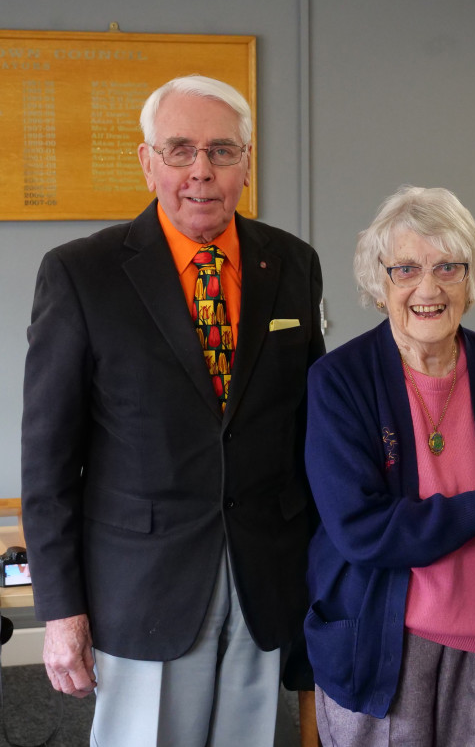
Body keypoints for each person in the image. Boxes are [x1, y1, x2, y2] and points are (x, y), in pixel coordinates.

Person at [21, 74, 325, 746]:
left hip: (263, 571)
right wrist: (62, 611)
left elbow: (310, 423)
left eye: (222, 151)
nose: (201, 171)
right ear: (147, 160)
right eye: (181, 149)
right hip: (143, 581)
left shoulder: (292, 264)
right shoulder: (81, 274)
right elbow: (47, 461)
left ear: (248, 162)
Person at [304, 185, 475, 746]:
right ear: (378, 283)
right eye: (405, 269)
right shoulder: (341, 379)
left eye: (447, 268)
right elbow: (360, 527)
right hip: (382, 641)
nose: (427, 289)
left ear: (470, 278)